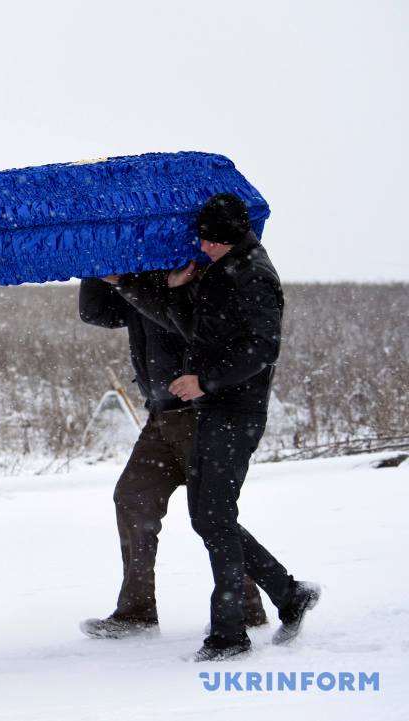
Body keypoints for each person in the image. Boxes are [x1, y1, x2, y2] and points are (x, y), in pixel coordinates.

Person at [114, 193, 320, 661]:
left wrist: (205, 380)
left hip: (236, 412)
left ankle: (230, 634)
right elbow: (188, 324)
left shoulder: (254, 277)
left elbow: (261, 349)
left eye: (208, 241)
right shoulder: (222, 269)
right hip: (216, 410)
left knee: (214, 518)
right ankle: (288, 594)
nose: (201, 247)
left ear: (228, 238)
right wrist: (164, 285)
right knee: (209, 516)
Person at [77, 275, 267, 639]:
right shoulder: (135, 280)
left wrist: (140, 285)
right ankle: (136, 612)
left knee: (212, 514)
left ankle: (247, 608)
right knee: (133, 498)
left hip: (198, 414)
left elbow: (187, 324)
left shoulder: (189, 278)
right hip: (160, 415)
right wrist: (96, 269)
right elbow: (97, 312)